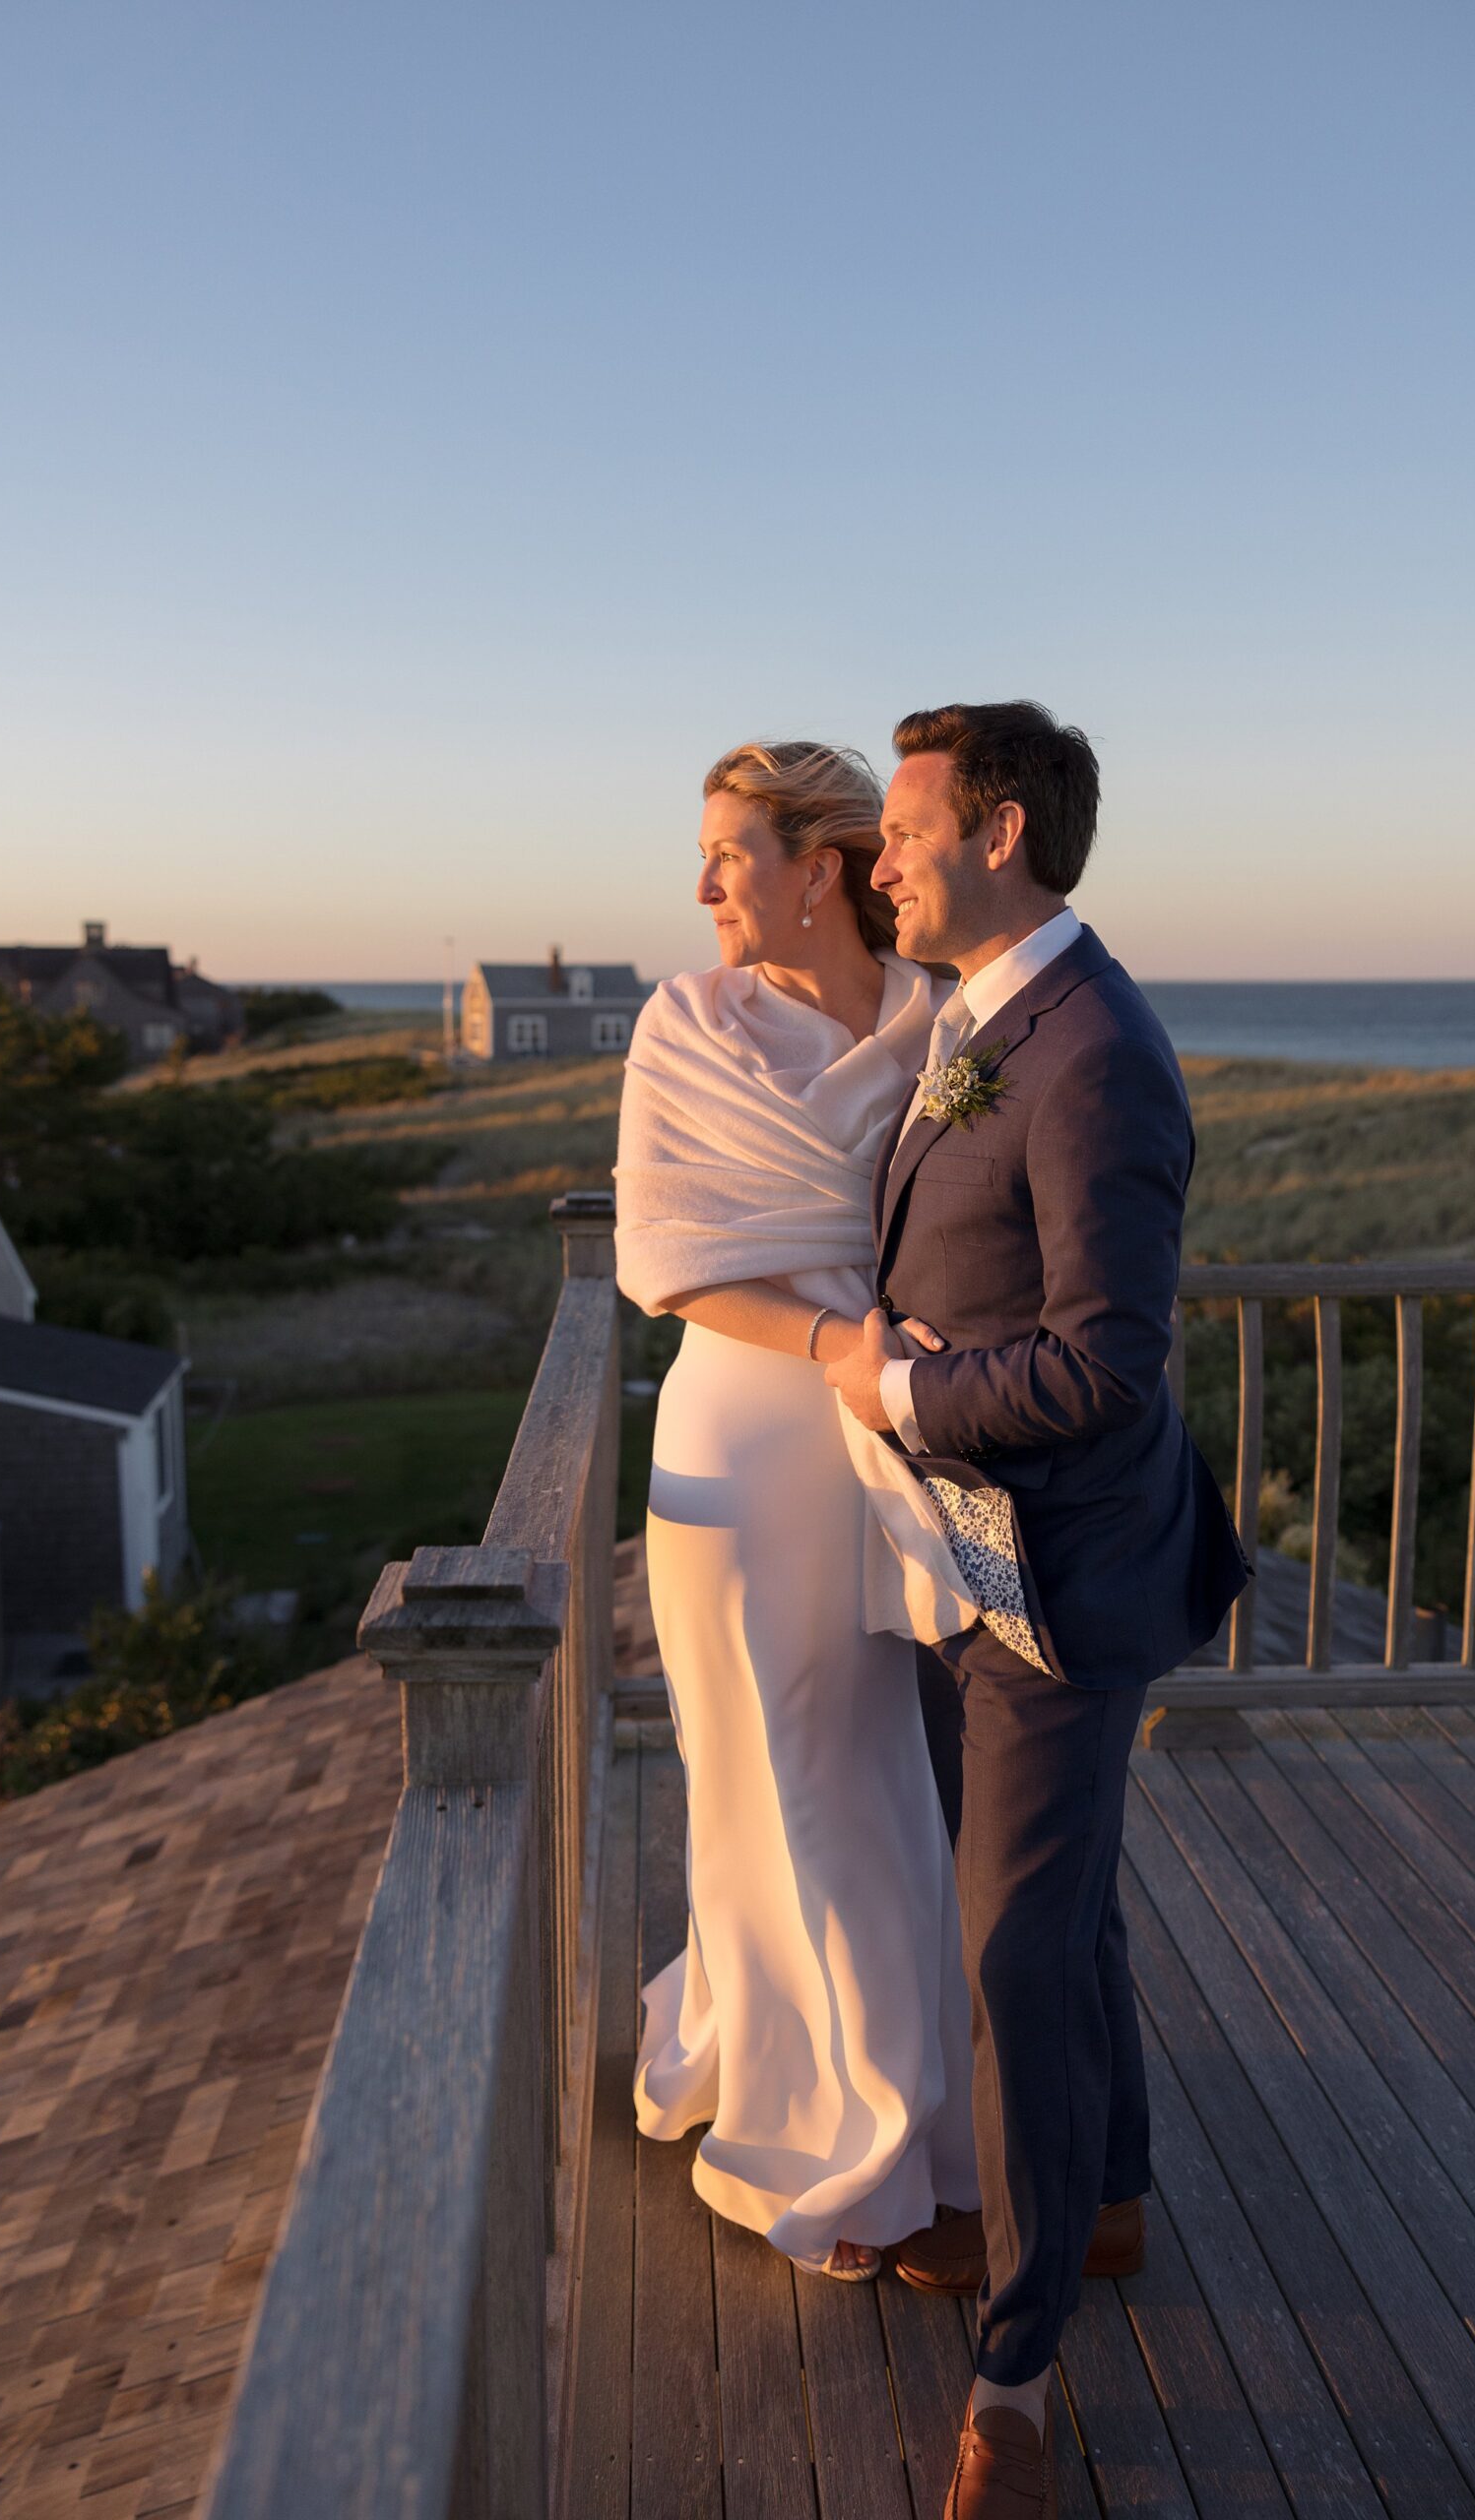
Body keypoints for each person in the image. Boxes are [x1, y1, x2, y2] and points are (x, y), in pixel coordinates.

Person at [827, 702, 1249, 2517]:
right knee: (1054, 1917)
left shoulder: (1092, 1057)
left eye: (903, 828)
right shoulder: (979, 1020)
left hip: (1060, 1578)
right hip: (966, 1551)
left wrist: (898, 1396)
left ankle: (1011, 2378)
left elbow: (1107, 1365)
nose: (877, 861)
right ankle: (1113, 2206)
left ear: (997, 832)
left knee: (1013, 1944)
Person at [613, 739, 982, 2281]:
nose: (702, 886)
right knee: (760, 1768)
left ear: (818, 866)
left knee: (862, 1769)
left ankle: (897, 2110)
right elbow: (664, 1254)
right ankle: (810, 2117)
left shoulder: (937, 1024)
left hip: (892, 1441)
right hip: (745, 1432)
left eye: (728, 854)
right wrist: (832, 1339)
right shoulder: (684, 1021)